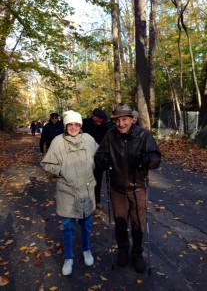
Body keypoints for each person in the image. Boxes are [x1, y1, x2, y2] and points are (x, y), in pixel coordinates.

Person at [94, 103, 161, 273]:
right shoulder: (110, 136)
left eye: (124, 119)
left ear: (132, 119)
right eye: (117, 120)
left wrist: (149, 160)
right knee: (120, 223)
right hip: (117, 189)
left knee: (138, 223)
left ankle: (137, 253)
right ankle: (123, 249)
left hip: (138, 187)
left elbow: (156, 156)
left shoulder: (144, 135)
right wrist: (103, 161)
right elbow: (99, 156)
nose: (121, 124)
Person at [41, 110, 97, 276]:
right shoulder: (58, 141)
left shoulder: (88, 139)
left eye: (76, 124)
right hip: (67, 191)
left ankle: (86, 250)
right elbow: (46, 164)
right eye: (70, 124)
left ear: (80, 125)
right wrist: (62, 171)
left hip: (87, 189)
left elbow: (100, 154)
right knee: (68, 226)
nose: (73, 127)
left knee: (87, 224)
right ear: (65, 126)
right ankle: (68, 257)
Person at [82, 108, 108, 209]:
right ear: (93, 116)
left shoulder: (104, 126)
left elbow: (106, 141)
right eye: (98, 118)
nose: (100, 120)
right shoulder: (84, 123)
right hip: (84, 156)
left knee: (97, 179)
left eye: (102, 119)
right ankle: (85, 199)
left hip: (98, 156)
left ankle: (97, 200)